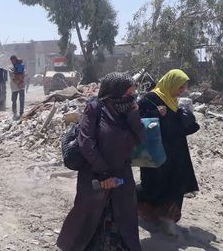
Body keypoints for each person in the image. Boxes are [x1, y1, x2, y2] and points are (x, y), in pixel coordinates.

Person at [57, 72, 145, 251]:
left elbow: (141, 138)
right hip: (95, 175)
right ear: (115, 91)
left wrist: (134, 116)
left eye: (133, 94)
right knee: (89, 220)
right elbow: (86, 142)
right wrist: (104, 173)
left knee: (123, 219)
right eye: (128, 94)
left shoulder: (128, 111)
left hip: (121, 175)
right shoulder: (96, 108)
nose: (132, 97)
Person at [136, 69, 200, 235]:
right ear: (170, 83)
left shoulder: (173, 100)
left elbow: (176, 125)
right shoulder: (151, 98)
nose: (182, 91)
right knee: (155, 184)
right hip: (156, 151)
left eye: (184, 88)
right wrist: (156, 113)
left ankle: (167, 218)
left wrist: (186, 118)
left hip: (176, 151)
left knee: (176, 183)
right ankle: (147, 212)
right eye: (180, 87)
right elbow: (139, 120)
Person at [9, 55, 26, 120]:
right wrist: (19, 81)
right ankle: (14, 113)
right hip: (15, 87)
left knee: (21, 100)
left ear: (16, 60)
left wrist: (20, 81)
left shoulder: (21, 66)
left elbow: (24, 74)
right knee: (14, 100)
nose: (13, 61)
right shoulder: (10, 67)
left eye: (14, 60)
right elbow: (12, 76)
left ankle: (21, 113)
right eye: (12, 60)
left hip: (21, 86)